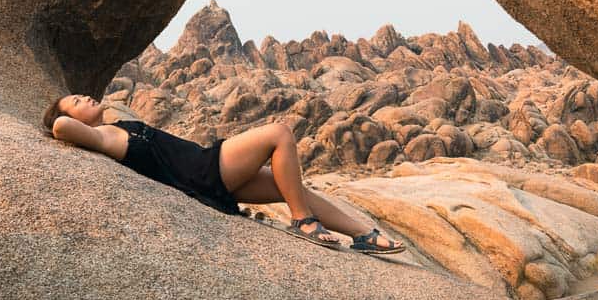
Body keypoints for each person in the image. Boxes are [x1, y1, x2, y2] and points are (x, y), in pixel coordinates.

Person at [42, 94, 405, 254]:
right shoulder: (103, 136)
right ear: (73, 116)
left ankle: (362, 235)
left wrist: (73, 111)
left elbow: (67, 121)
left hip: (205, 172)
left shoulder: (114, 124)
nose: (86, 97)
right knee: (279, 133)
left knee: (288, 185)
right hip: (203, 171)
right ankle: (302, 221)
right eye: (76, 101)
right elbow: (60, 128)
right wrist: (60, 116)